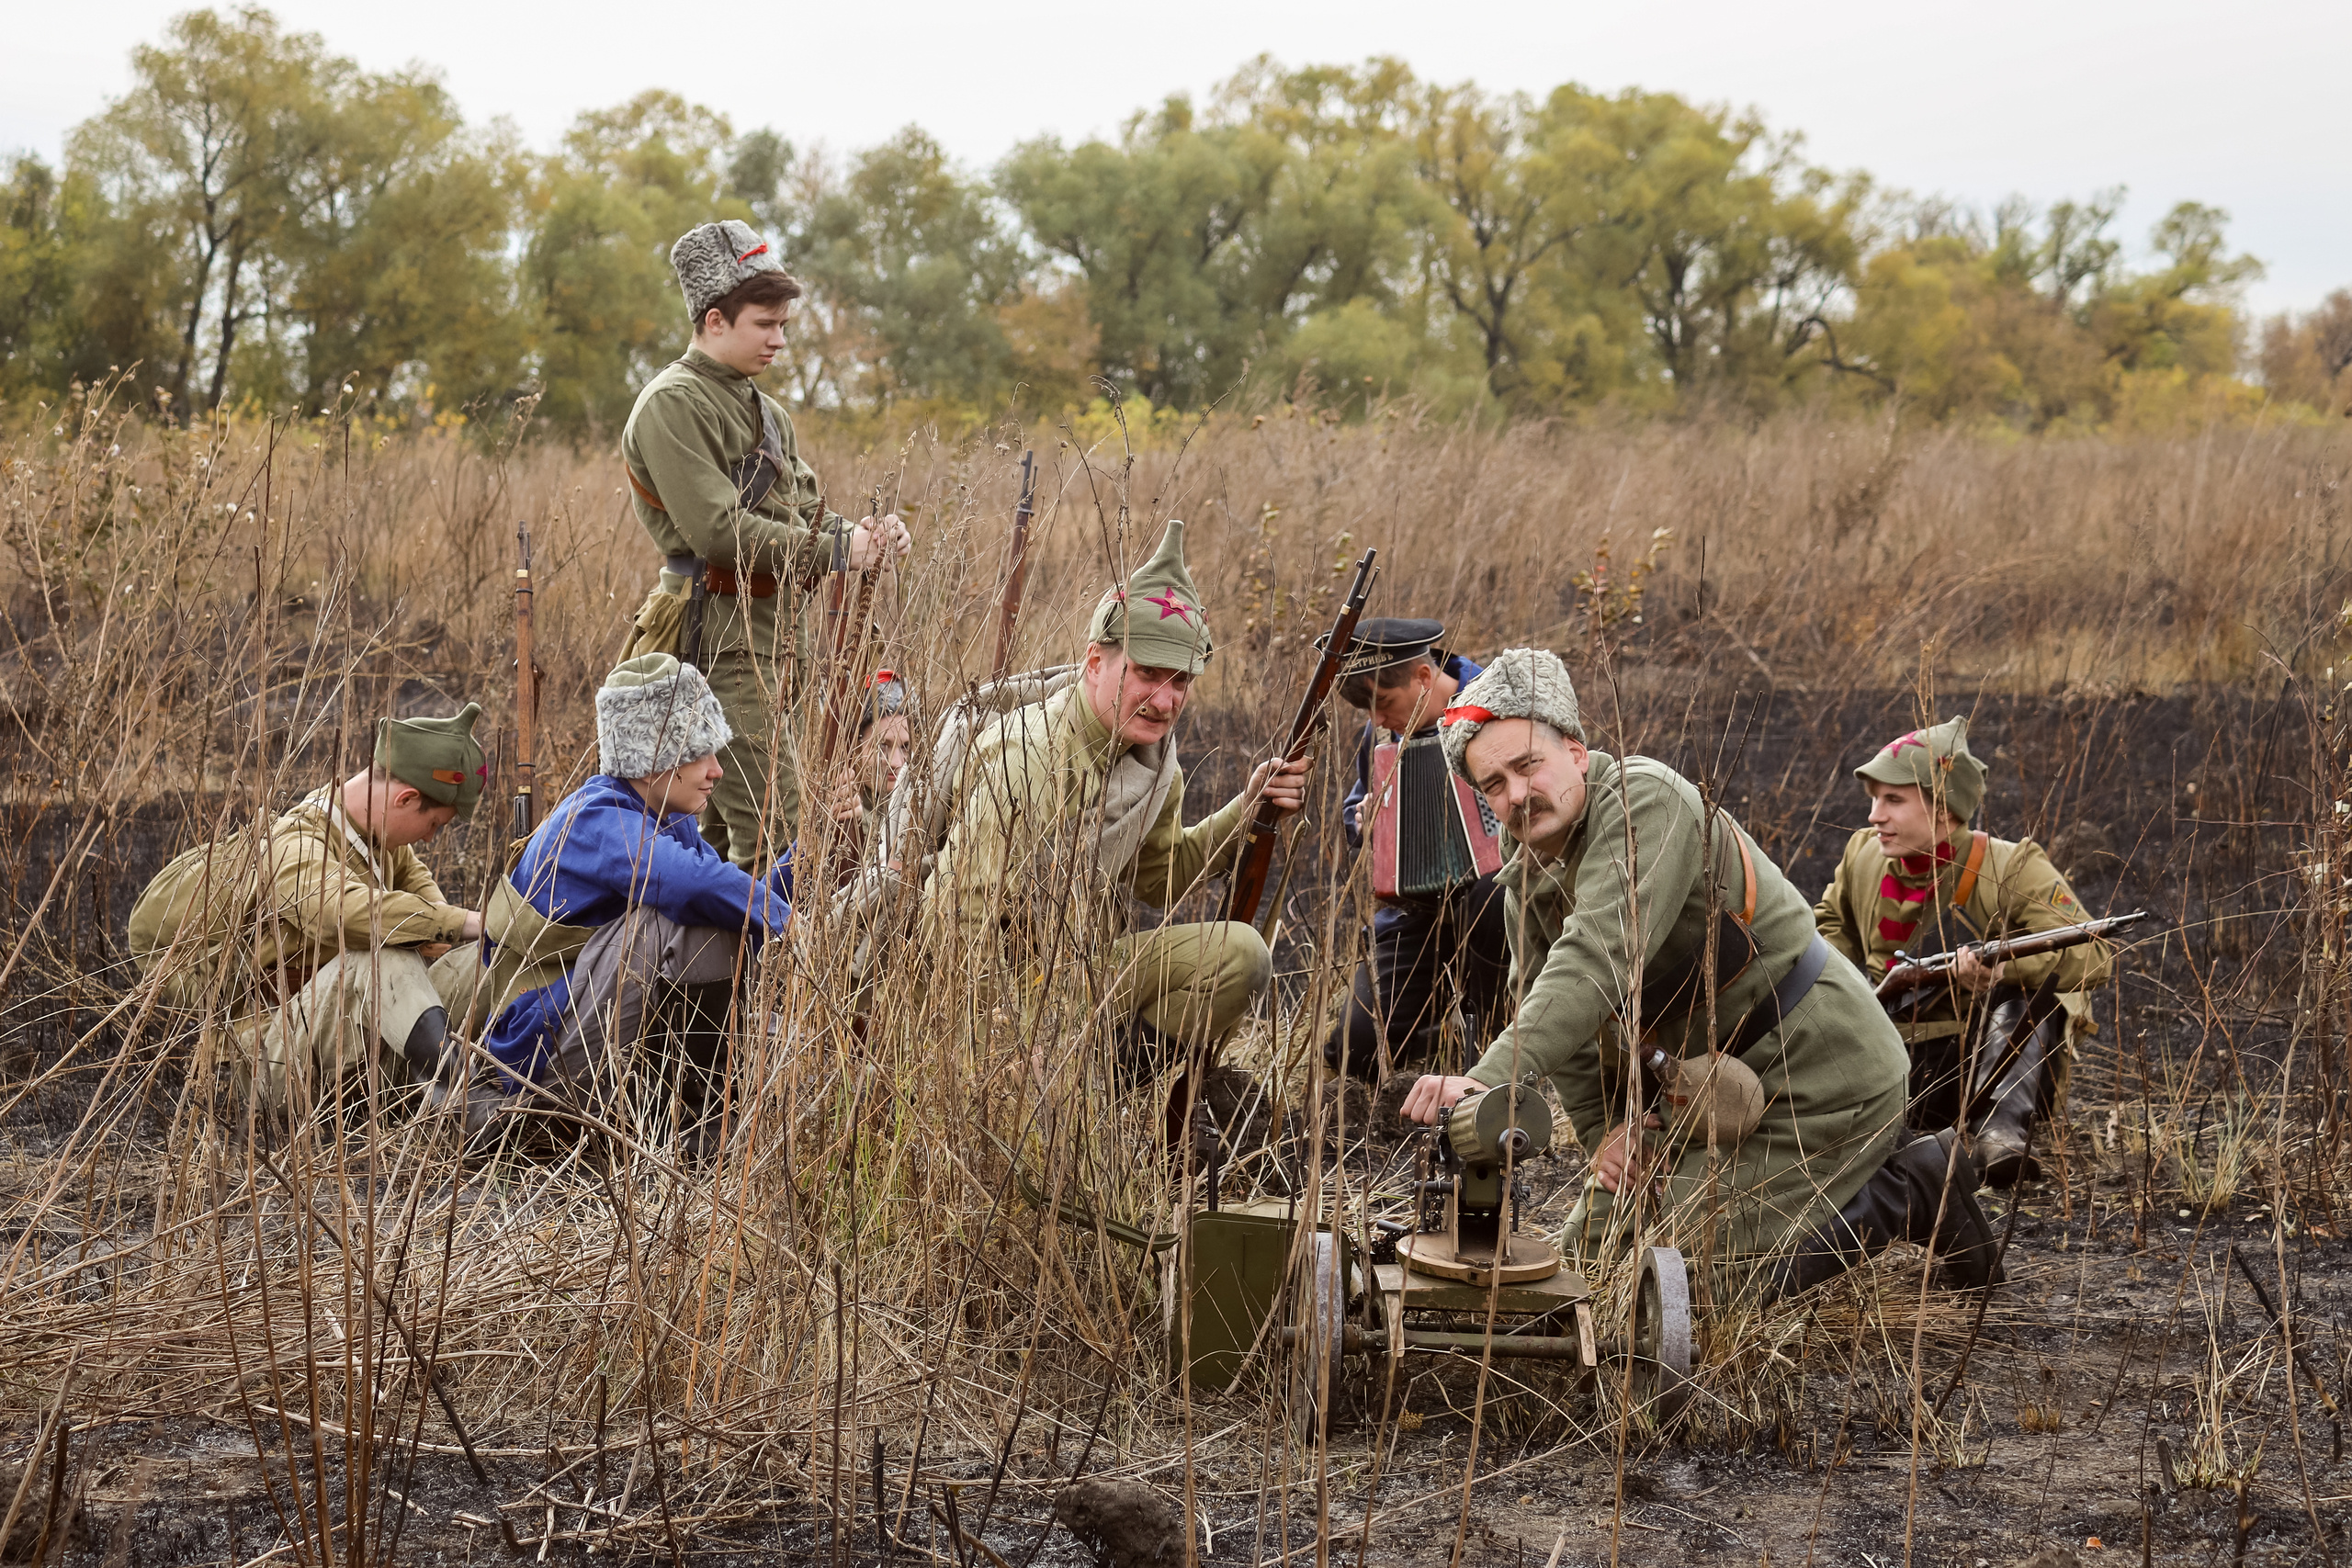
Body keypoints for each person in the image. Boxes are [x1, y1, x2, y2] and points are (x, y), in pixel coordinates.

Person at [1399, 649, 2003, 1300]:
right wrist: (1611, 1139)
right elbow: (1570, 1035)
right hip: (1699, 1094)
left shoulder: (1645, 802)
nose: (1517, 794)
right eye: (1494, 784)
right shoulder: (1530, 881)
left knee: (1681, 1287)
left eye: (1527, 764)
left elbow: (1596, 960)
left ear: (1575, 751)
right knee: (1585, 1267)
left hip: (1818, 1074)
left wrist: (1488, 1077)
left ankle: (1910, 1189)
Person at [922, 520, 1308, 1084]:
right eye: (1146, 673)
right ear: (1094, 662)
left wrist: (1247, 810)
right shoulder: (1027, 757)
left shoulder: (1152, 763)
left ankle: (1100, 1094)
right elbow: (953, 925)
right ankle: (1048, 1091)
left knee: (1240, 956)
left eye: (1180, 681)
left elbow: (1160, 878)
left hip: (1078, 972)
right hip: (997, 993)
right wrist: (1002, 1045)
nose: (1164, 698)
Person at [619, 219, 912, 874]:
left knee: (726, 831)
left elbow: (806, 515)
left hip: (777, 634)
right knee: (773, 821)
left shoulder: (768, 413)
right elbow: (716, 531)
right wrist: (837, 553)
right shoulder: (672, 404)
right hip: (710, 632)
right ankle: (767, 972)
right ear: (715, 320)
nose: (780, 339)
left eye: (783, 325)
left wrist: (864, 536)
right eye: (765, 324)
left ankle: (713, 972)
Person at [435, 655, 795, 1156]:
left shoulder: (670, 817)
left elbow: (732, 887)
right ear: (653, 754)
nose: (716, 770)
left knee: (713, 906)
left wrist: (806, 857)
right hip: (543, 1064)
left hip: (589, 1033)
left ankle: (685, 1106)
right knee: (686, 918)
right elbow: (694, 887)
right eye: (700, 752)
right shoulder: (594, 820)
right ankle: (706, 1113)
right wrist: (792, 928)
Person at [128, 705, 486, 1115]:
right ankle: (466, 1104)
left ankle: (505, 1075)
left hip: (338, 1049)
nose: (430, 839)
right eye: (435, 825)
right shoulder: (293, 846)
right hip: (265, 1060)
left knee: (475, 957)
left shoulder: (380, 844)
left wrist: (467, 933)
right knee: (382, 957)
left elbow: (429, 908)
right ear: (405, 798)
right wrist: (465, 921)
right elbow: (348, 912)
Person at [1813, 716, 2112, 1186]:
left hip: (1989, 1064)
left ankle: (2000, 1135)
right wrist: (1854, 994)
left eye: (1893, 800)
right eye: (1874, 800)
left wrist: (2004, 972)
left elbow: (2094, 955)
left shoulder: (2011, 866)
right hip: (1886, 1060)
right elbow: (1829, 927)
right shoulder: (1862, 854)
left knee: (2030, 998)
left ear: (1943, 810)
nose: (1874, 816)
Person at [1323, 618, 1510, 1086]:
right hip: (1414, 914)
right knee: (1354, 1049)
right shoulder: (1382, 736)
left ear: (1424, 678)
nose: (1377, 721)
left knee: (1490, 891)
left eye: (1383, 703)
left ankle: (1496, 1046)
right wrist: (1364, 822)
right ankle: (1442, 1033)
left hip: (1508, 905)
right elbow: (1357, 802)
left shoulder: (1502, 705)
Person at [816, 669, 916, 884]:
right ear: (852, 747)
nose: (897, 763)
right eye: (882, 746)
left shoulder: (918, 810)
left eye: (905, 746)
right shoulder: (829, 809)